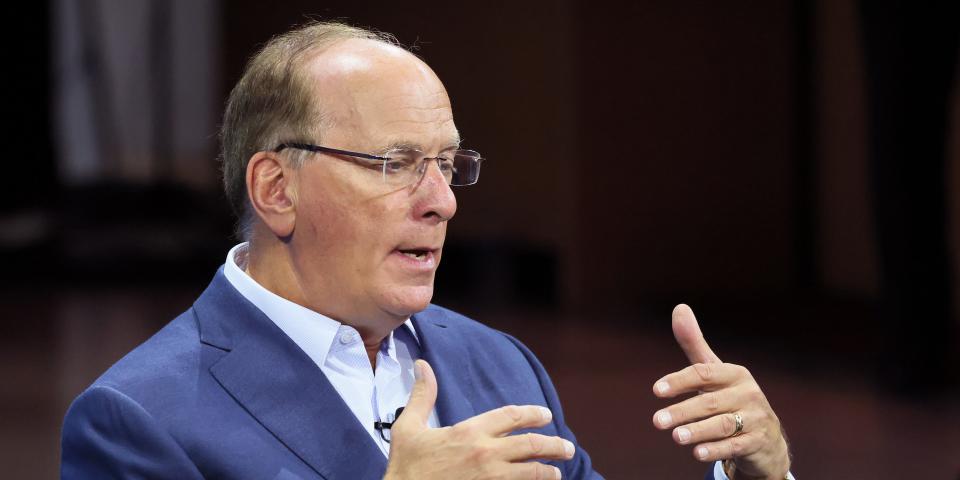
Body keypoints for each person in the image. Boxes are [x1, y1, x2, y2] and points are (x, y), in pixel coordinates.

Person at [61, 21, 793, 479]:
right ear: (277, 189)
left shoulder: (501, 366)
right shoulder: (139, 422)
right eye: (395, 163)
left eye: (446, 165)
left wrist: (755, 478)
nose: (441, 199)